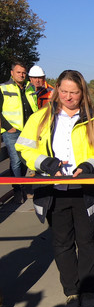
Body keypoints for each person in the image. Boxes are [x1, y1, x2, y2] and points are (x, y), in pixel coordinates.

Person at [15, 70, 94, 307]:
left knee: (87, 241)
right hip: (54, 190)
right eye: (63, 92)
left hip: (85, 189)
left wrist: (90, 166)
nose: (68, 97)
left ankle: (88, 290)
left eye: (74, 92)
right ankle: (71, 291)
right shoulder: (41, 118)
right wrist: (44, 163)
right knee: (62, 243)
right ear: (57, 90)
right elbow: (24, 148)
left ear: (82, 93)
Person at [0, 62, 38, 203]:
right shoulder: (3, 88)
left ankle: (24, 187)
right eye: (18, 72)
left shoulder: (29, 88)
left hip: (28, 130)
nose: (22, 75)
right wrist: (8, 127)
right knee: (15, 161)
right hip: (12, 131)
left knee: (25, 160)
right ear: (12, 73)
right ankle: (18, 190)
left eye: (23, 72)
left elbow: (34, 107)